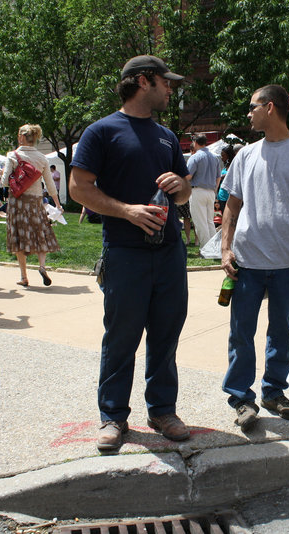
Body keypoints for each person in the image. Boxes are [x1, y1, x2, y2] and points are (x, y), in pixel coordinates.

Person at [70, 55, 192, 451]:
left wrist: (181, 185)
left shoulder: (167, 136)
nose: (170, 88)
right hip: (125, 253)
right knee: (122, 337)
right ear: (143, 81)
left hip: (169, 251)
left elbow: (186, 191)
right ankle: (113, 417)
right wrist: (127, 211)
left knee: (166, 335)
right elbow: (78, 188)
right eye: (165, 82)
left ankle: (162, 410)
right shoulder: (101, 132)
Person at [219, 84, 289, 432]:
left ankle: (274, 392)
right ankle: (241, 398)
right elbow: (232, 204)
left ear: (270, 107)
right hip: (247, 261)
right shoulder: (246, 155)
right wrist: (226, 248)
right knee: (242, 333)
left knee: (281, 332)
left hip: (288, 263)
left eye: (252, 107)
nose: (248, 113)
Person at [0, 124, 63, 288]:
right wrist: (57, 204)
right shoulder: (42, 158)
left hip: (18, 201)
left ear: (21, 137)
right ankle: (42, 266)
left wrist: (4, 175)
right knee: (40, 233)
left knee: (19, 237)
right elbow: (49, 185)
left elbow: (4, 181)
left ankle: (24, 276)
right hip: (36, 201)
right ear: (34, 138)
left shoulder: (12, 156)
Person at [187, 134, 220, 248]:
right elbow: (218, 177)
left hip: (197, 191)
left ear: (195, 142)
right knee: (209, 221)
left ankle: (206, 248)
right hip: (210, 192)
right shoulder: (214, 157)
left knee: (200, 222)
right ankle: (214, 248)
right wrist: (214, 191)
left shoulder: (195, 157)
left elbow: (188, 176)